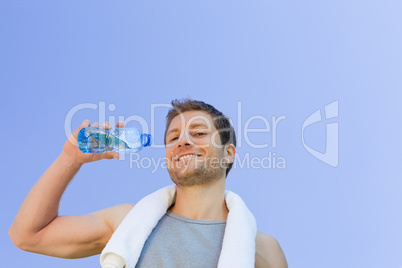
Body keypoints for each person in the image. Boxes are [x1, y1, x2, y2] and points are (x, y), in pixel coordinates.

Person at [9, 99, 288, 268]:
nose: (183, 142)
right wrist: (70, 158)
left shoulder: (261, 248)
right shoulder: (127, 223)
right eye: (173, 137)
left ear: (229, 154)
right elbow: (27, 235)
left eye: (199, 132)